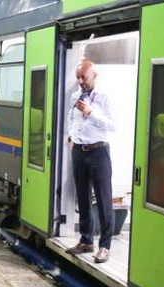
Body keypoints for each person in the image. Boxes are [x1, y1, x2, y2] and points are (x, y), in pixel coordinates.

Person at [65, 61, 116, 264]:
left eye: (83, 77)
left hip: (98, 151)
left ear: (94, 75)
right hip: (79, 151)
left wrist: (91, 113)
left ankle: (105, 246)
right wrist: (71, 137)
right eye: (77, 77)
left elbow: (113, 125)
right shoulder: (75, 96)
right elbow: (71, 118)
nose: (80, 82)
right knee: (83, 197)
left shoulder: (105, 97)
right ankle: (86, 240)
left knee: (104, 200)